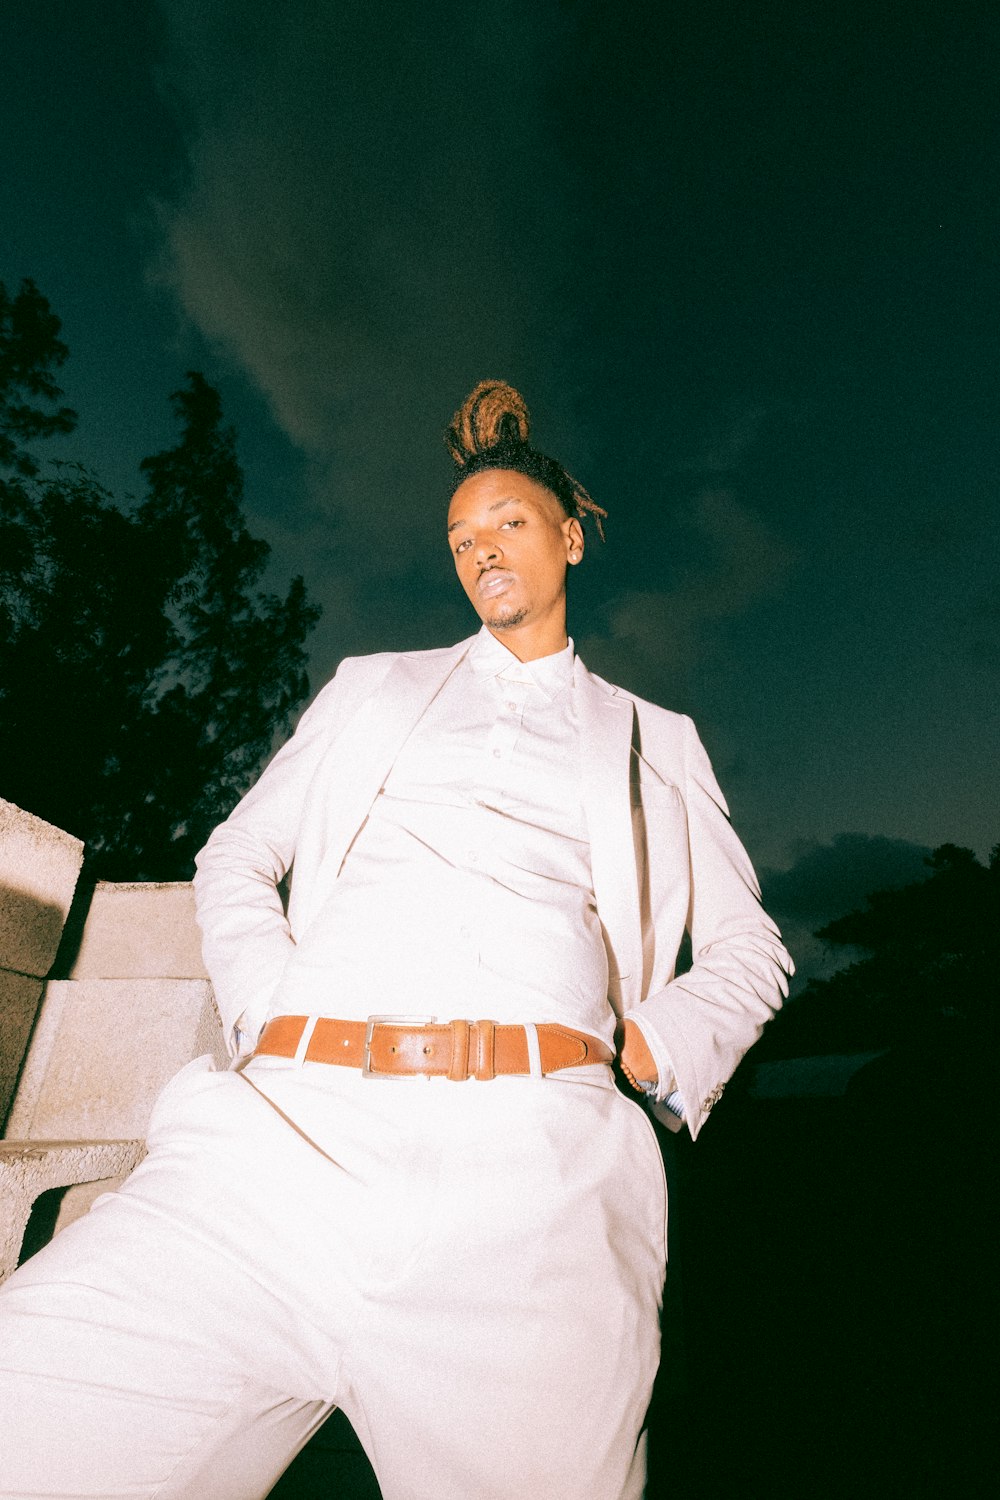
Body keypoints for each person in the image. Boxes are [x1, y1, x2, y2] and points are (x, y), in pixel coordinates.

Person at [0, 381, 792, 1499]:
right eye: (461, 538)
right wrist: (267, 1010)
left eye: (508, 524)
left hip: (531, 1195)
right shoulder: (374, 691)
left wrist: (647, 1049)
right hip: (275, 1151)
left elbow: (751, 950)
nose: (481, 552)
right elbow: (236, 856)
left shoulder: (653, 741)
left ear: (569, 536)